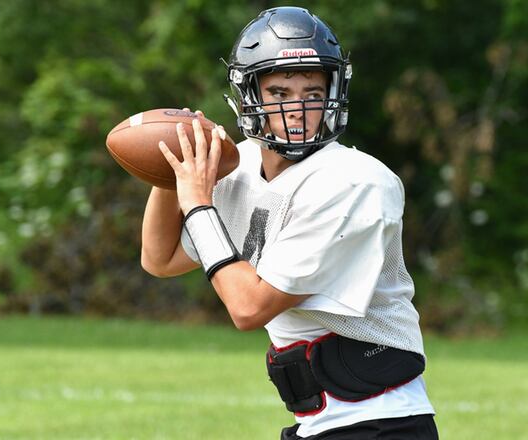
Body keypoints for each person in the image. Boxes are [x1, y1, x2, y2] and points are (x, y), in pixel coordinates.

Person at [141, 6, 438, 439]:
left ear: (332, 94)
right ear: (249, 98)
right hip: (317, 424)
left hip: (380, 422)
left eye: (312, 94)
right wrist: (173, 166)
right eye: (280, 93)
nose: (297, 109)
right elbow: (159, 259)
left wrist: (198, 202)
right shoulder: (238, 165)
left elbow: (248, 308)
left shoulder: (356, 182)